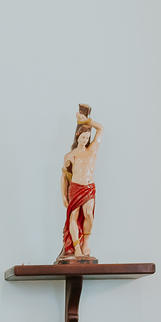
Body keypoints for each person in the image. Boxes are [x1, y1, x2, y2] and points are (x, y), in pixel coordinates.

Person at [58, 106, 103, 262]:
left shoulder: (93, 150)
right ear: (78, 136)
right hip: (76, 187)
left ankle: (86, 242)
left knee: (89, 214)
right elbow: (65, 176)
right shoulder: (70, 156)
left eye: (87, 137)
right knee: (74, 216)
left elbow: (101, 129)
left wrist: (86, 121)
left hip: (89, 187)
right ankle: (76, 247)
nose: (85, 139)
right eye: (83, 136)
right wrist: (64, 195)